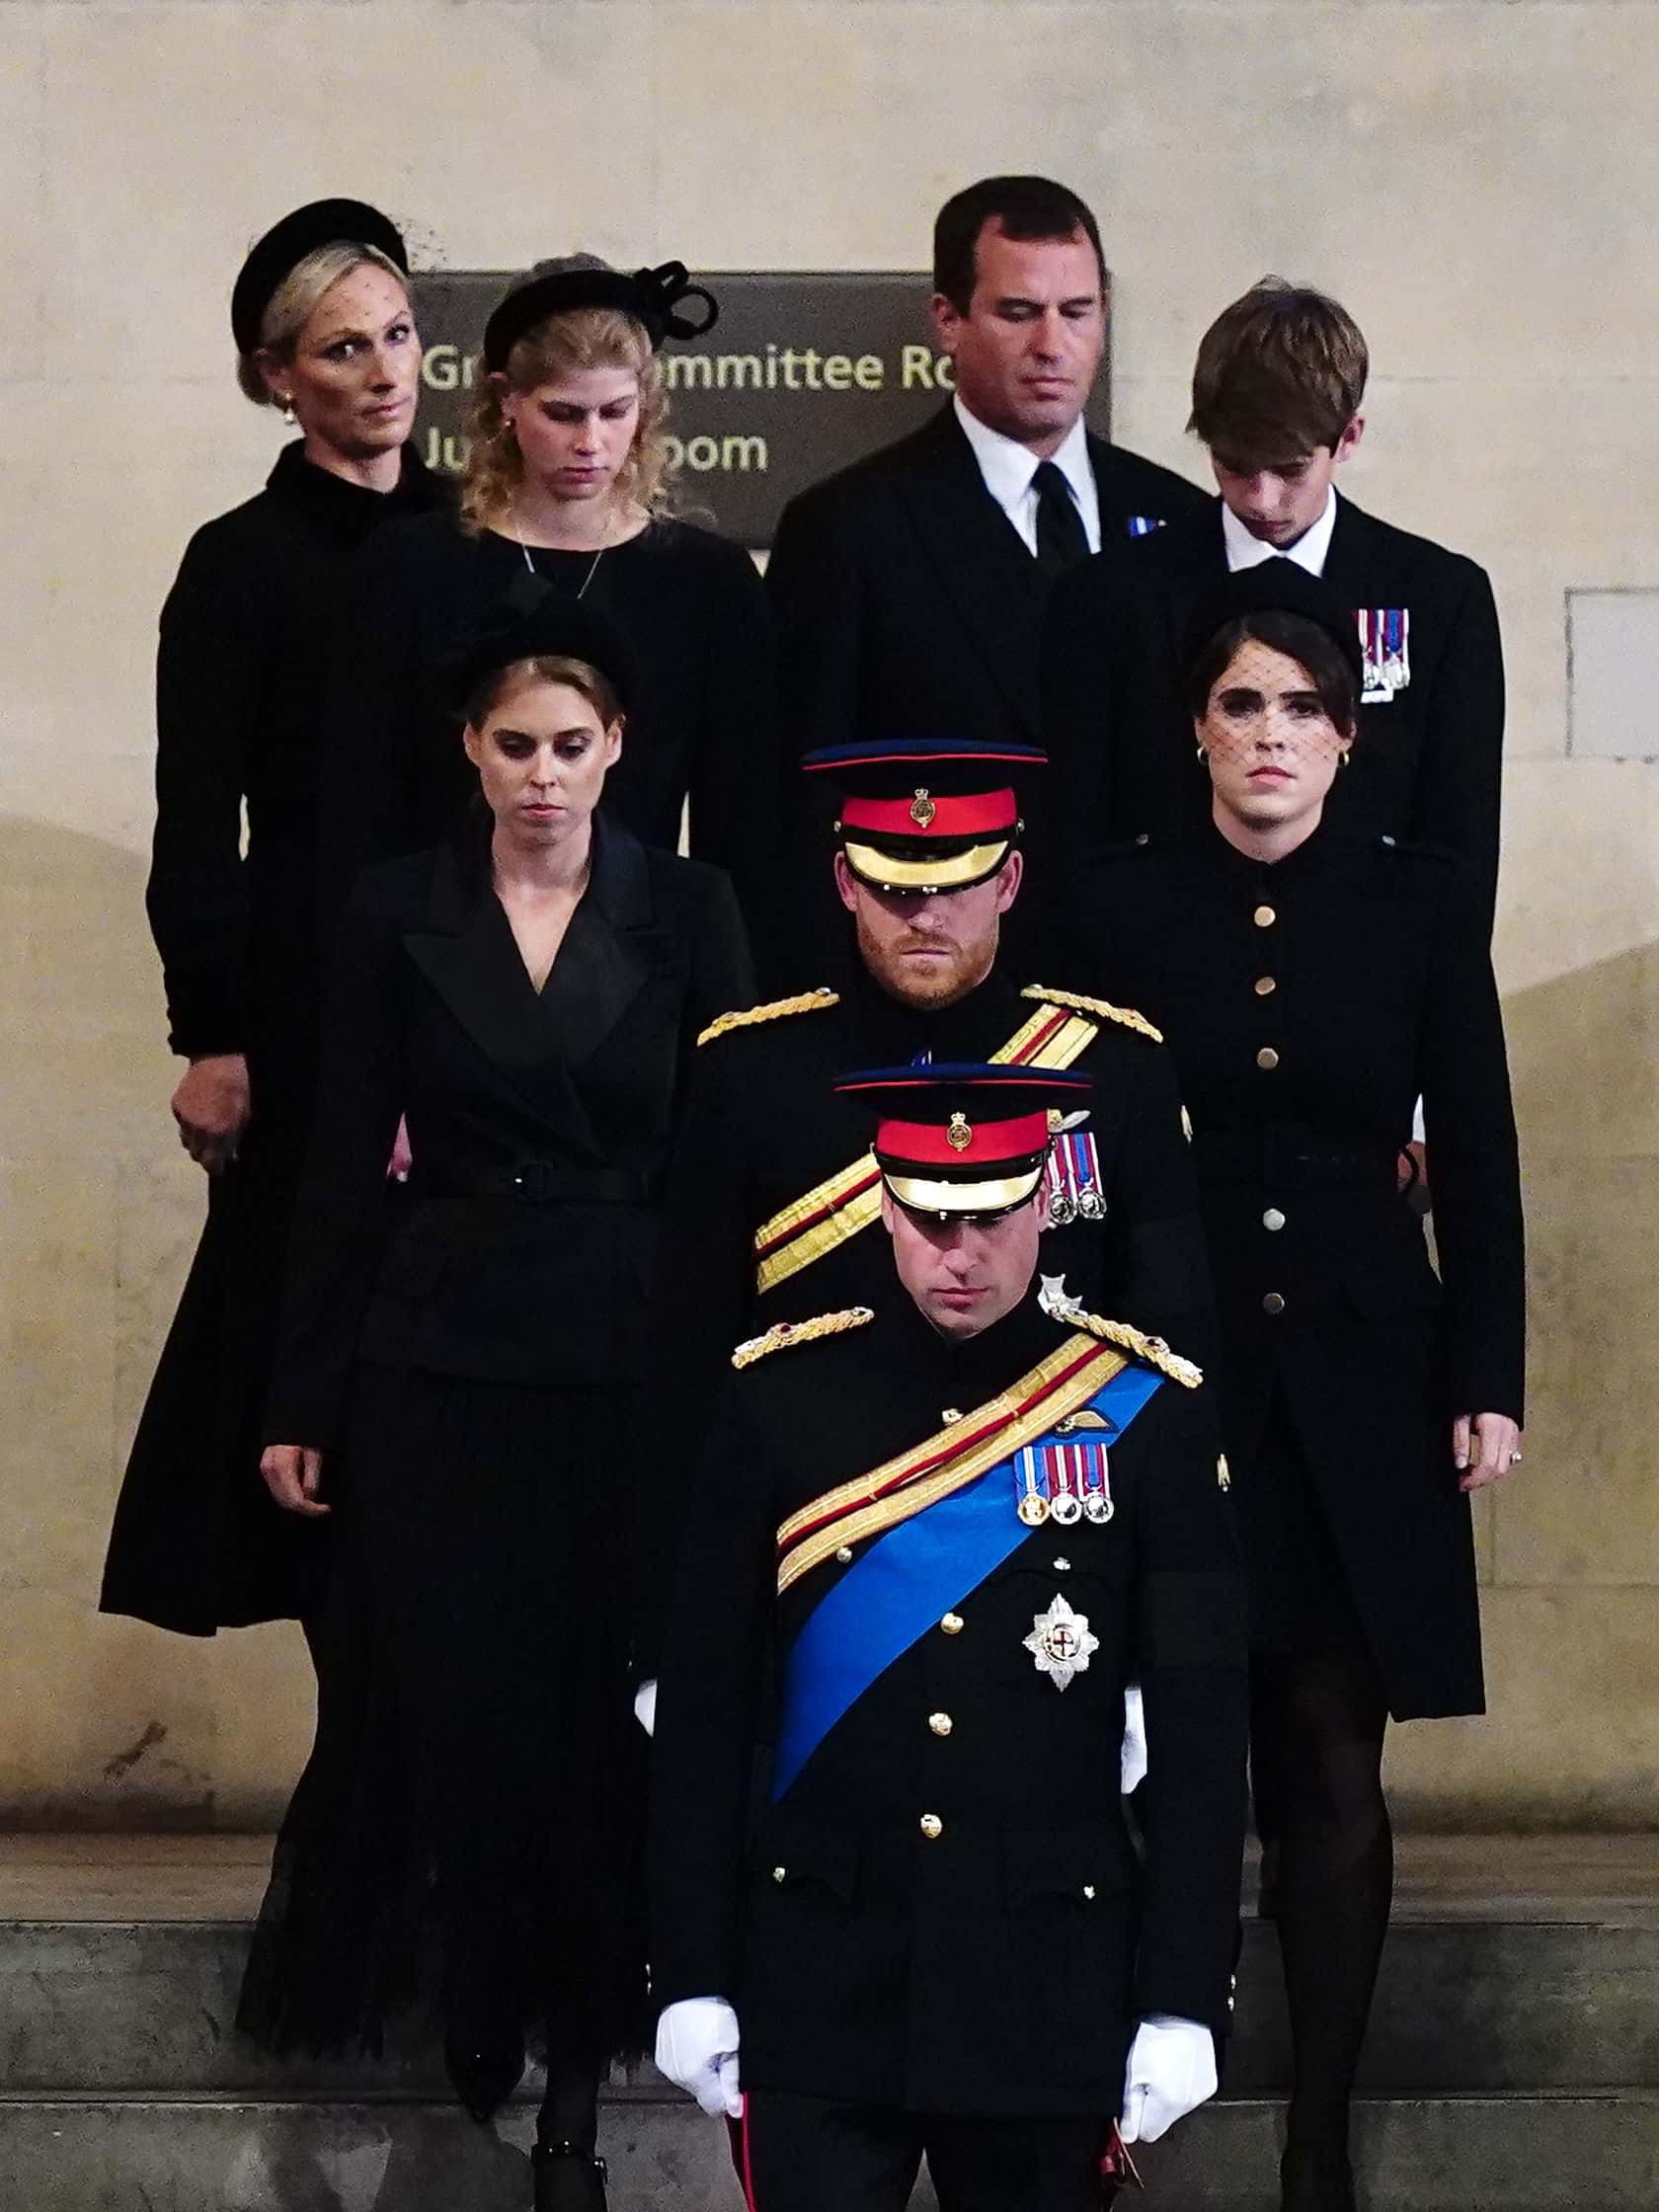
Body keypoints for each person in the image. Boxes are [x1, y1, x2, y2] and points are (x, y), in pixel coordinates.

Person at [235, 593, 752, 2212]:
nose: (543, 772)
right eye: (516, 744)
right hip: (437, 1350)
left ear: (619, 753)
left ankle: (584, 2091)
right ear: (470, 751)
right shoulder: (400, 909)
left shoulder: (695, 907)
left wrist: (761, 1373)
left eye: (572, 745)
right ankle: (475, 1996)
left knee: (607, 1721)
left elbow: (740, 1156)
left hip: (636, 1350)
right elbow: (338, 1163)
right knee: (458, 1699)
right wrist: (301, 1390)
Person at [1073, 564, 1526, 2212]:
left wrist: (1487, 1375)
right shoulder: (1110, 901)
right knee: (1138, 1746)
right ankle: (1112, 2111)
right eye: (1242, 704)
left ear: (1349, 738)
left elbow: (1473, 1148)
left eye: (1305, 710)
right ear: (1196, 729)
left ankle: (1317, 2140)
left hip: (1360, 1368)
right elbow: (1068, 1149)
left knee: (1333, 1755)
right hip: (1164, 1374)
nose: (1272, 736)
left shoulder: (1416, 902)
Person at [649, 1064, 1248, 2212]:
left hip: (1046, 1986)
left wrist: (1183, 1992)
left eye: (986, 1217)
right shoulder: (776, 1398)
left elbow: (1201, 1733)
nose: (955, 1252)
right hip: (817, 1975)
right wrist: (690, 1971)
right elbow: (705, 1718)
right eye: (926, 1219)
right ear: (883, 1208)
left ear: (1043, 1205)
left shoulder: (1145, 1411)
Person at [637, 738, 1212, 1640]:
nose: (926, 914)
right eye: (897, 888)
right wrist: (675, 1627)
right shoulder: (750, 1071)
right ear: (844, 881)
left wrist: (1158, 1641)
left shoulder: (1116, 1068)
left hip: (1047, 1554)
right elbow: (687, 1360)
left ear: (1011, 881)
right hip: (819, 1557)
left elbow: (1168, 1346)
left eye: (956, 885)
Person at [102, 198, 448, 1640]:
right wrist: (214, 1032)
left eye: (402, 337)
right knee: (314, 1361)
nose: (384, 372)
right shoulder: (239, 562)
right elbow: (200, 825)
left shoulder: (483, 538)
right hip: (308, 1009)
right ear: (278, 376)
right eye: (343, 347)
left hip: (487, 987)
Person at [766, 176, 1207, 963]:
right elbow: (796, 807)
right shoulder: (848, 527)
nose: (1052, 345)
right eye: (1017, 312)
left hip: (1148, 975)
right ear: (947, 319)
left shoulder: (1178, 515)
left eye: (1077, 312)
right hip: (941, 978)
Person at [315, 253, 776, 940]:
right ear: (506, 401)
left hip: (642, 962)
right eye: (563, 414)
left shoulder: (708, 582)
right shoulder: (412, 566)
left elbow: (742, 829)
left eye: (615, 412)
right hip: (441, 957)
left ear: (645, 408)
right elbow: (360, 805)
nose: (591, 443)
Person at [1043, 277, 1506, 930]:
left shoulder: (1437, 597)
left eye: (1289, 470)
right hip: (1161, 975)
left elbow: (1458, 850)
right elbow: (1079, 843)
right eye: (1233, 465)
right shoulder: (1109, 599)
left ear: (1348, 439)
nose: (1260, 499)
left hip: (1364, 978)